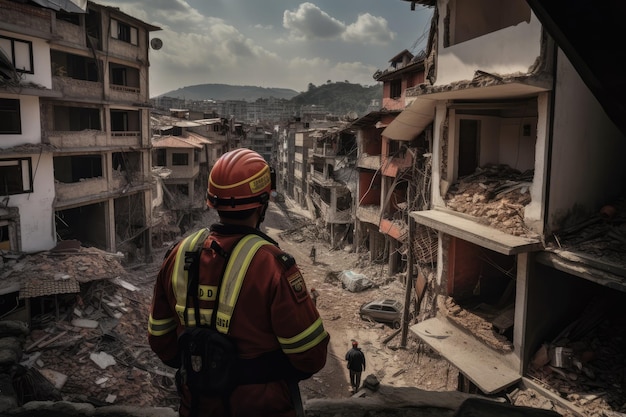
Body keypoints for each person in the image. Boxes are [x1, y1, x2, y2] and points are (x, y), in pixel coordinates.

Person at [148, 148, 330, 417]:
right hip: (261, 408)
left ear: (213, 201)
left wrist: (204, 366)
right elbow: (311, 355)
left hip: (196, 406)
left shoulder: (179, 253)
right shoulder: (272, 264)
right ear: (262, 203)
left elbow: (160, 338)